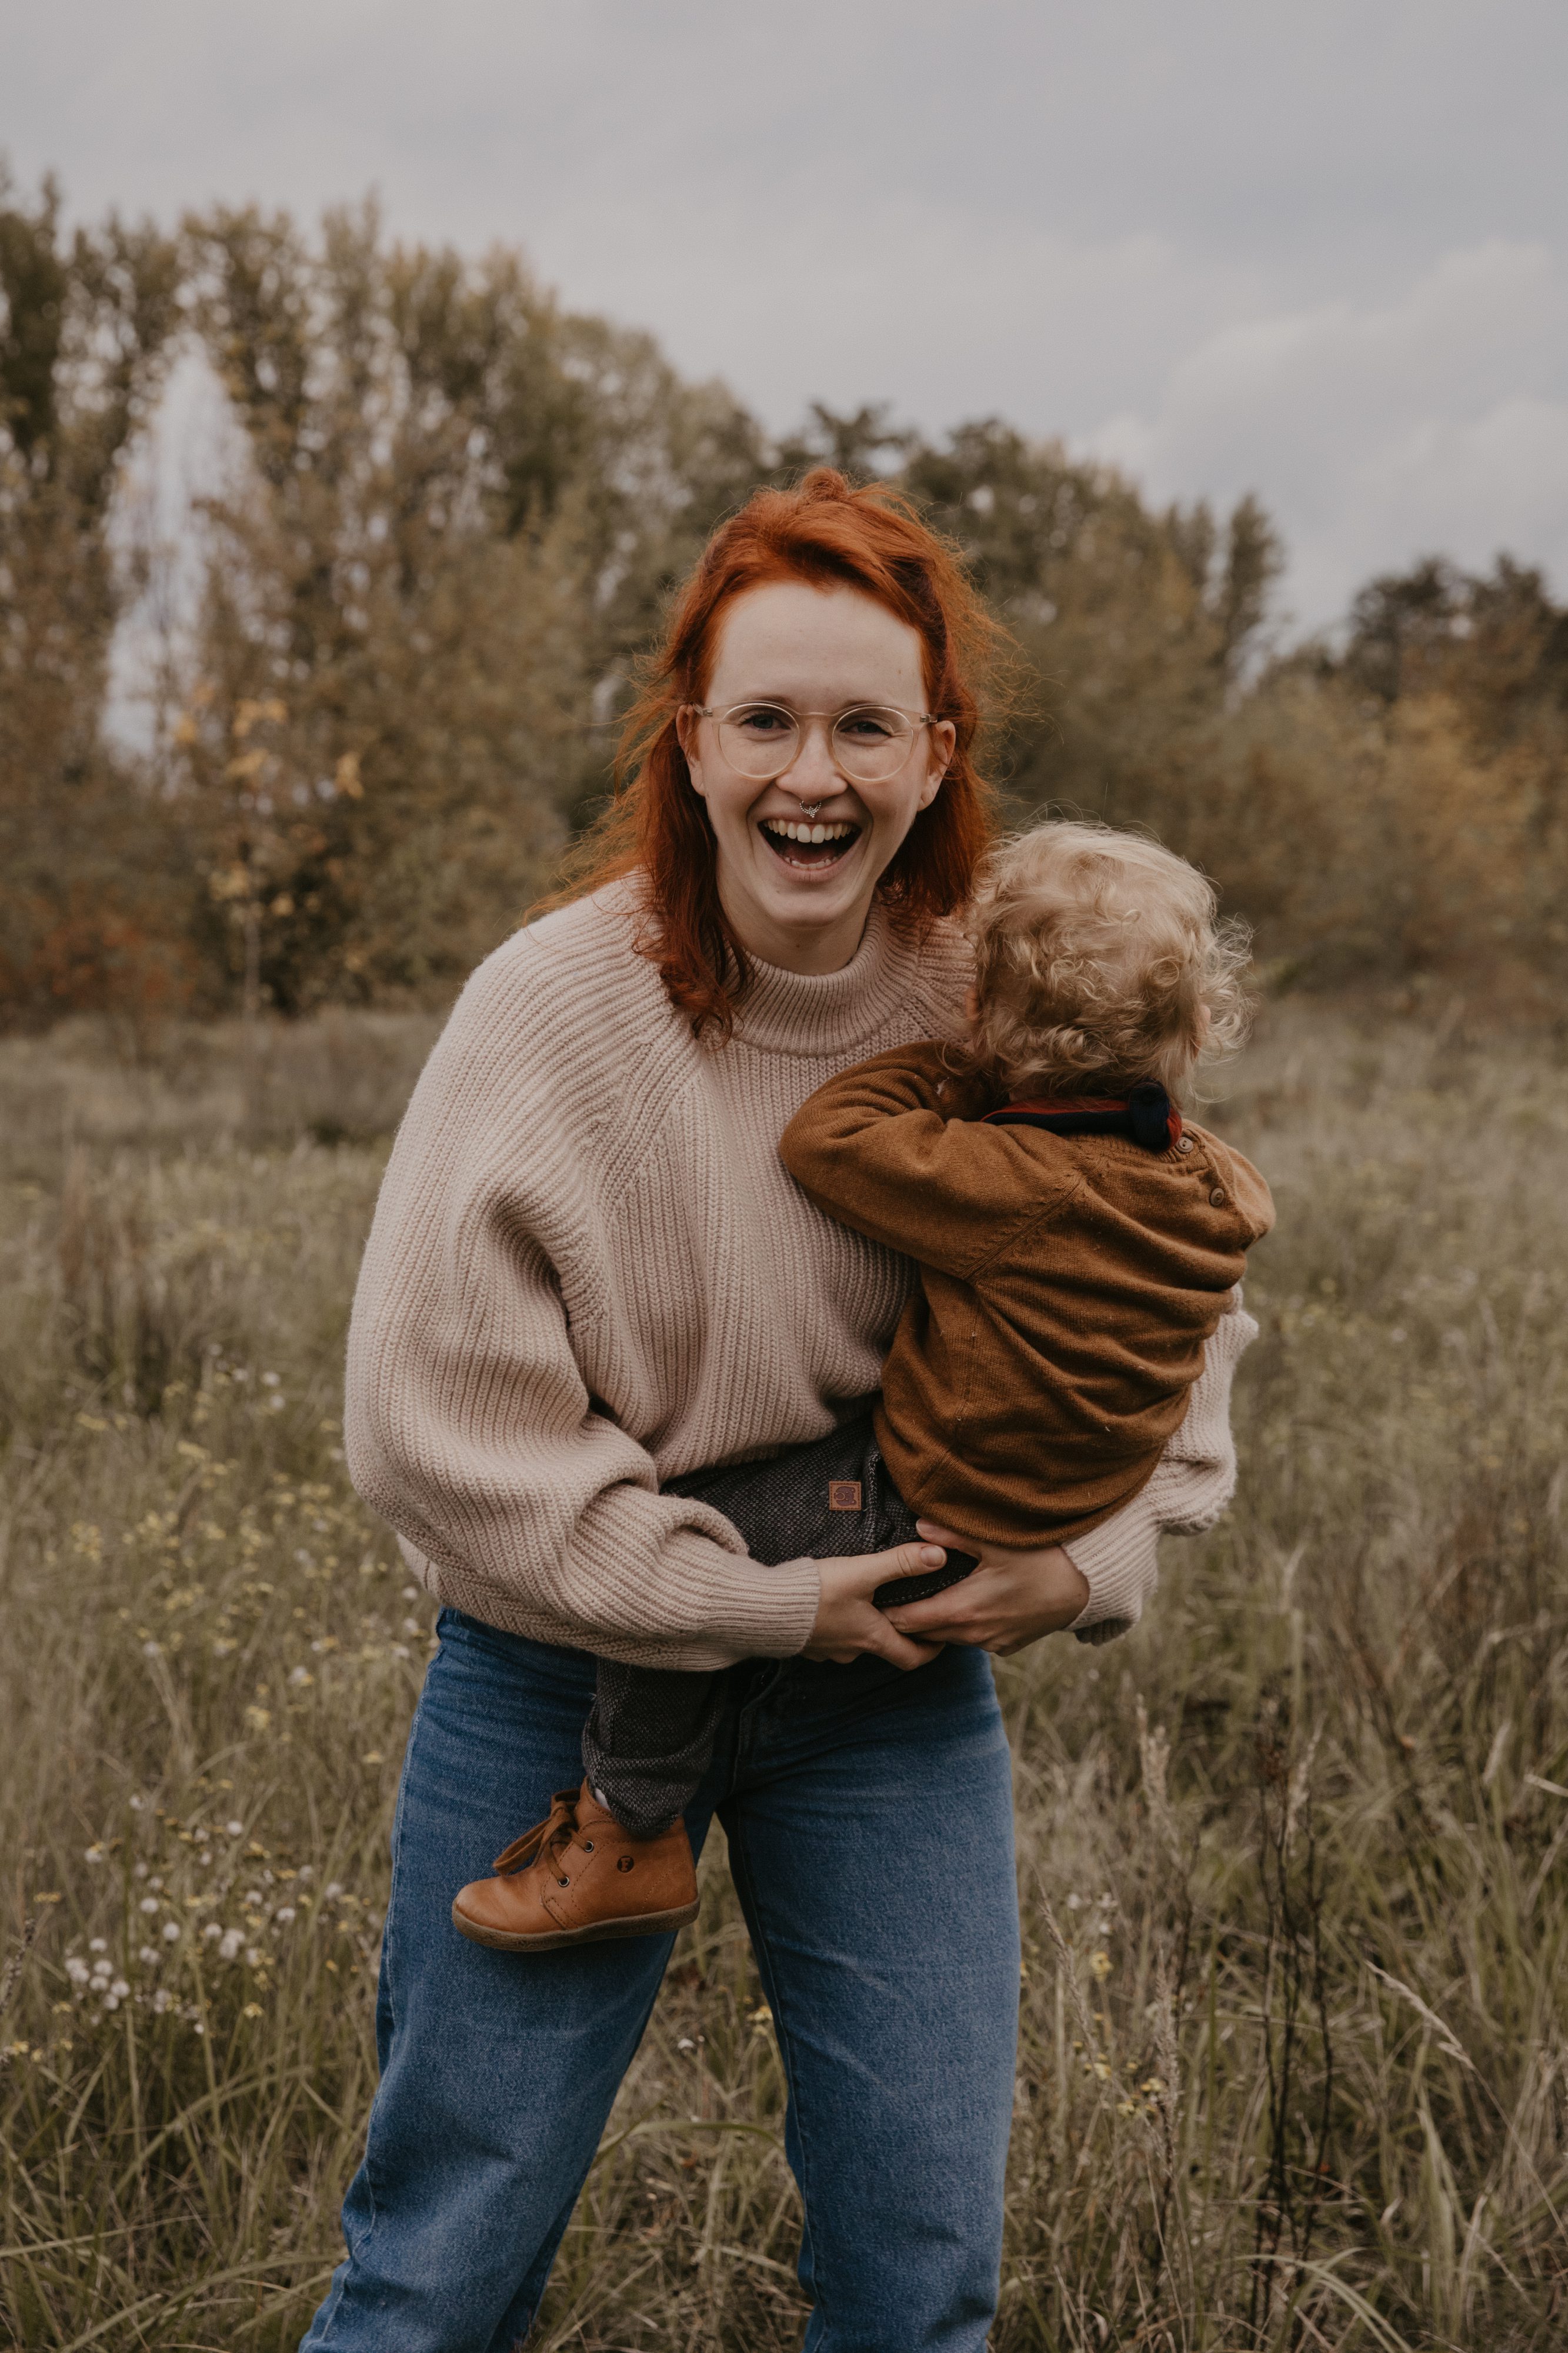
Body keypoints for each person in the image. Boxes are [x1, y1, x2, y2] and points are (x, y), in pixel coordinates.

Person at [302, 471, 1260, 2353]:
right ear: (692, 741)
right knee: (440, 2269)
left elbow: (1172, 1280)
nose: (808, 774)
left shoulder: (1004, 987)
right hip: (558, 1670)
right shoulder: (554, 1008)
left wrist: (1084, 1561)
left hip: (891, 1689)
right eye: (765, 720)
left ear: (931, 754)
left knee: (920, 2280)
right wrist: (740, 1601)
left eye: (859, 726)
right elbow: (420, 1425)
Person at [448, 821, 1273, 1948]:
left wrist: (947, 1065)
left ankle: (629, 1825)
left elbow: (826, 1140)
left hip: (917, 1507)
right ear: (1187, 1034)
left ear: (984, 1018)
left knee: (697, 1544)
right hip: (1050, 1516)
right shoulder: (1208, 1183)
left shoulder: (1005, 1180)